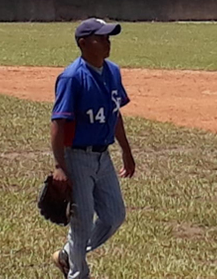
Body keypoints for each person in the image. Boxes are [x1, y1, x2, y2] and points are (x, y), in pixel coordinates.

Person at [50, 18, 136, 279]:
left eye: (109, 38)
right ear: (83, 43)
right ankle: (78, 273)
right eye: (102, 38)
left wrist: (126, 150)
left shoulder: (113, 71)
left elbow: (115, 113)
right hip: (77, 156)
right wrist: (60, 166)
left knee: (114, 216)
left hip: (103, 156)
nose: (108, 43)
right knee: (82, 220)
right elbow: (58, 123)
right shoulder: (72, 77)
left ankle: (68, 254)